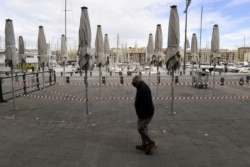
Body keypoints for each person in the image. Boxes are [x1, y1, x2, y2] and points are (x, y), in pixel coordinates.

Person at [132, 75, 158, 154]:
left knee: (140, 128)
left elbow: (146, 103)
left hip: (146, 113)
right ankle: (145, 145)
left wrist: (142, 114)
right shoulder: (140, 87)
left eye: (134, 82)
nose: (133, 83)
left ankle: (151, 143)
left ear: (138, 81)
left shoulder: (143, 88)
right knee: (144, 128)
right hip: (144, 113)